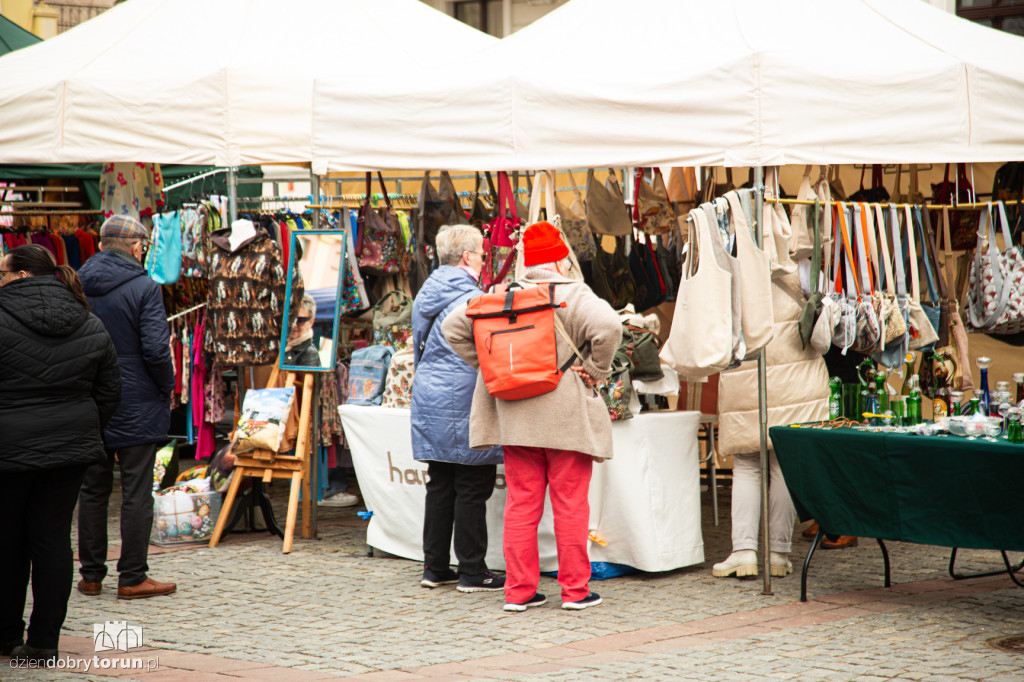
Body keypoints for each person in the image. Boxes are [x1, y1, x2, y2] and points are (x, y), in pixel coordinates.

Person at [443, 221, 621, 612]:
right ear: (561, 257)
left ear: (525, 259)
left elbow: (451, 327)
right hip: (566, 416)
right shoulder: (575, 294)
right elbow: (609, 326)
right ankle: (575, 592)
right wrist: (596, 369)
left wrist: (492, 366)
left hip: (514, 416)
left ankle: (519, 592)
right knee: (571, 504)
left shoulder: (502, 294)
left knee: (521, 505)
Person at [0, 245, 121, 665]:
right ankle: (44, 641)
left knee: (9, 541)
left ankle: (7, 634)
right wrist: (83, 428)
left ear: (18, 276)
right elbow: (109, 391)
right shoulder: (87, 320)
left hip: (9, 450)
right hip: (69, 451)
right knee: (51, 541)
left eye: (2, 272)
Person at [76, 214, 177, 600]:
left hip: (89, 396)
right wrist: (166, 386)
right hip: (135, 398)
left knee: (93, 488)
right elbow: (155, 349)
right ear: (137, 248)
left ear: (101, 245)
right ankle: (132, 576)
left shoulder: (76, 283)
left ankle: (90, 575)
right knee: (137, 490)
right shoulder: (144, 287)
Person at [712, 268, 829, 579]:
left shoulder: (736, 252)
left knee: (747, 462)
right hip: (796, 373)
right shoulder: (803, 256)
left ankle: (744, 551)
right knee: (783, 463)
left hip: (747, 366)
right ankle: (778, 554)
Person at [412, 225, 504, 593]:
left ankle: (435, 567)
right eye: (482, 254)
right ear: (468, 257)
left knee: (441, 483)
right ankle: (472, 570)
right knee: (471, 483)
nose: (484, 260)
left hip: (431, 394)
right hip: (464, 396)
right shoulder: (468, 296)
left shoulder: (428, 291)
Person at [284, 293, 322, 367]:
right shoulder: (277, 347)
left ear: (311, 322)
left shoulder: (309, 353)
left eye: (300, 320)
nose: (294, 325)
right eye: (290, 319)